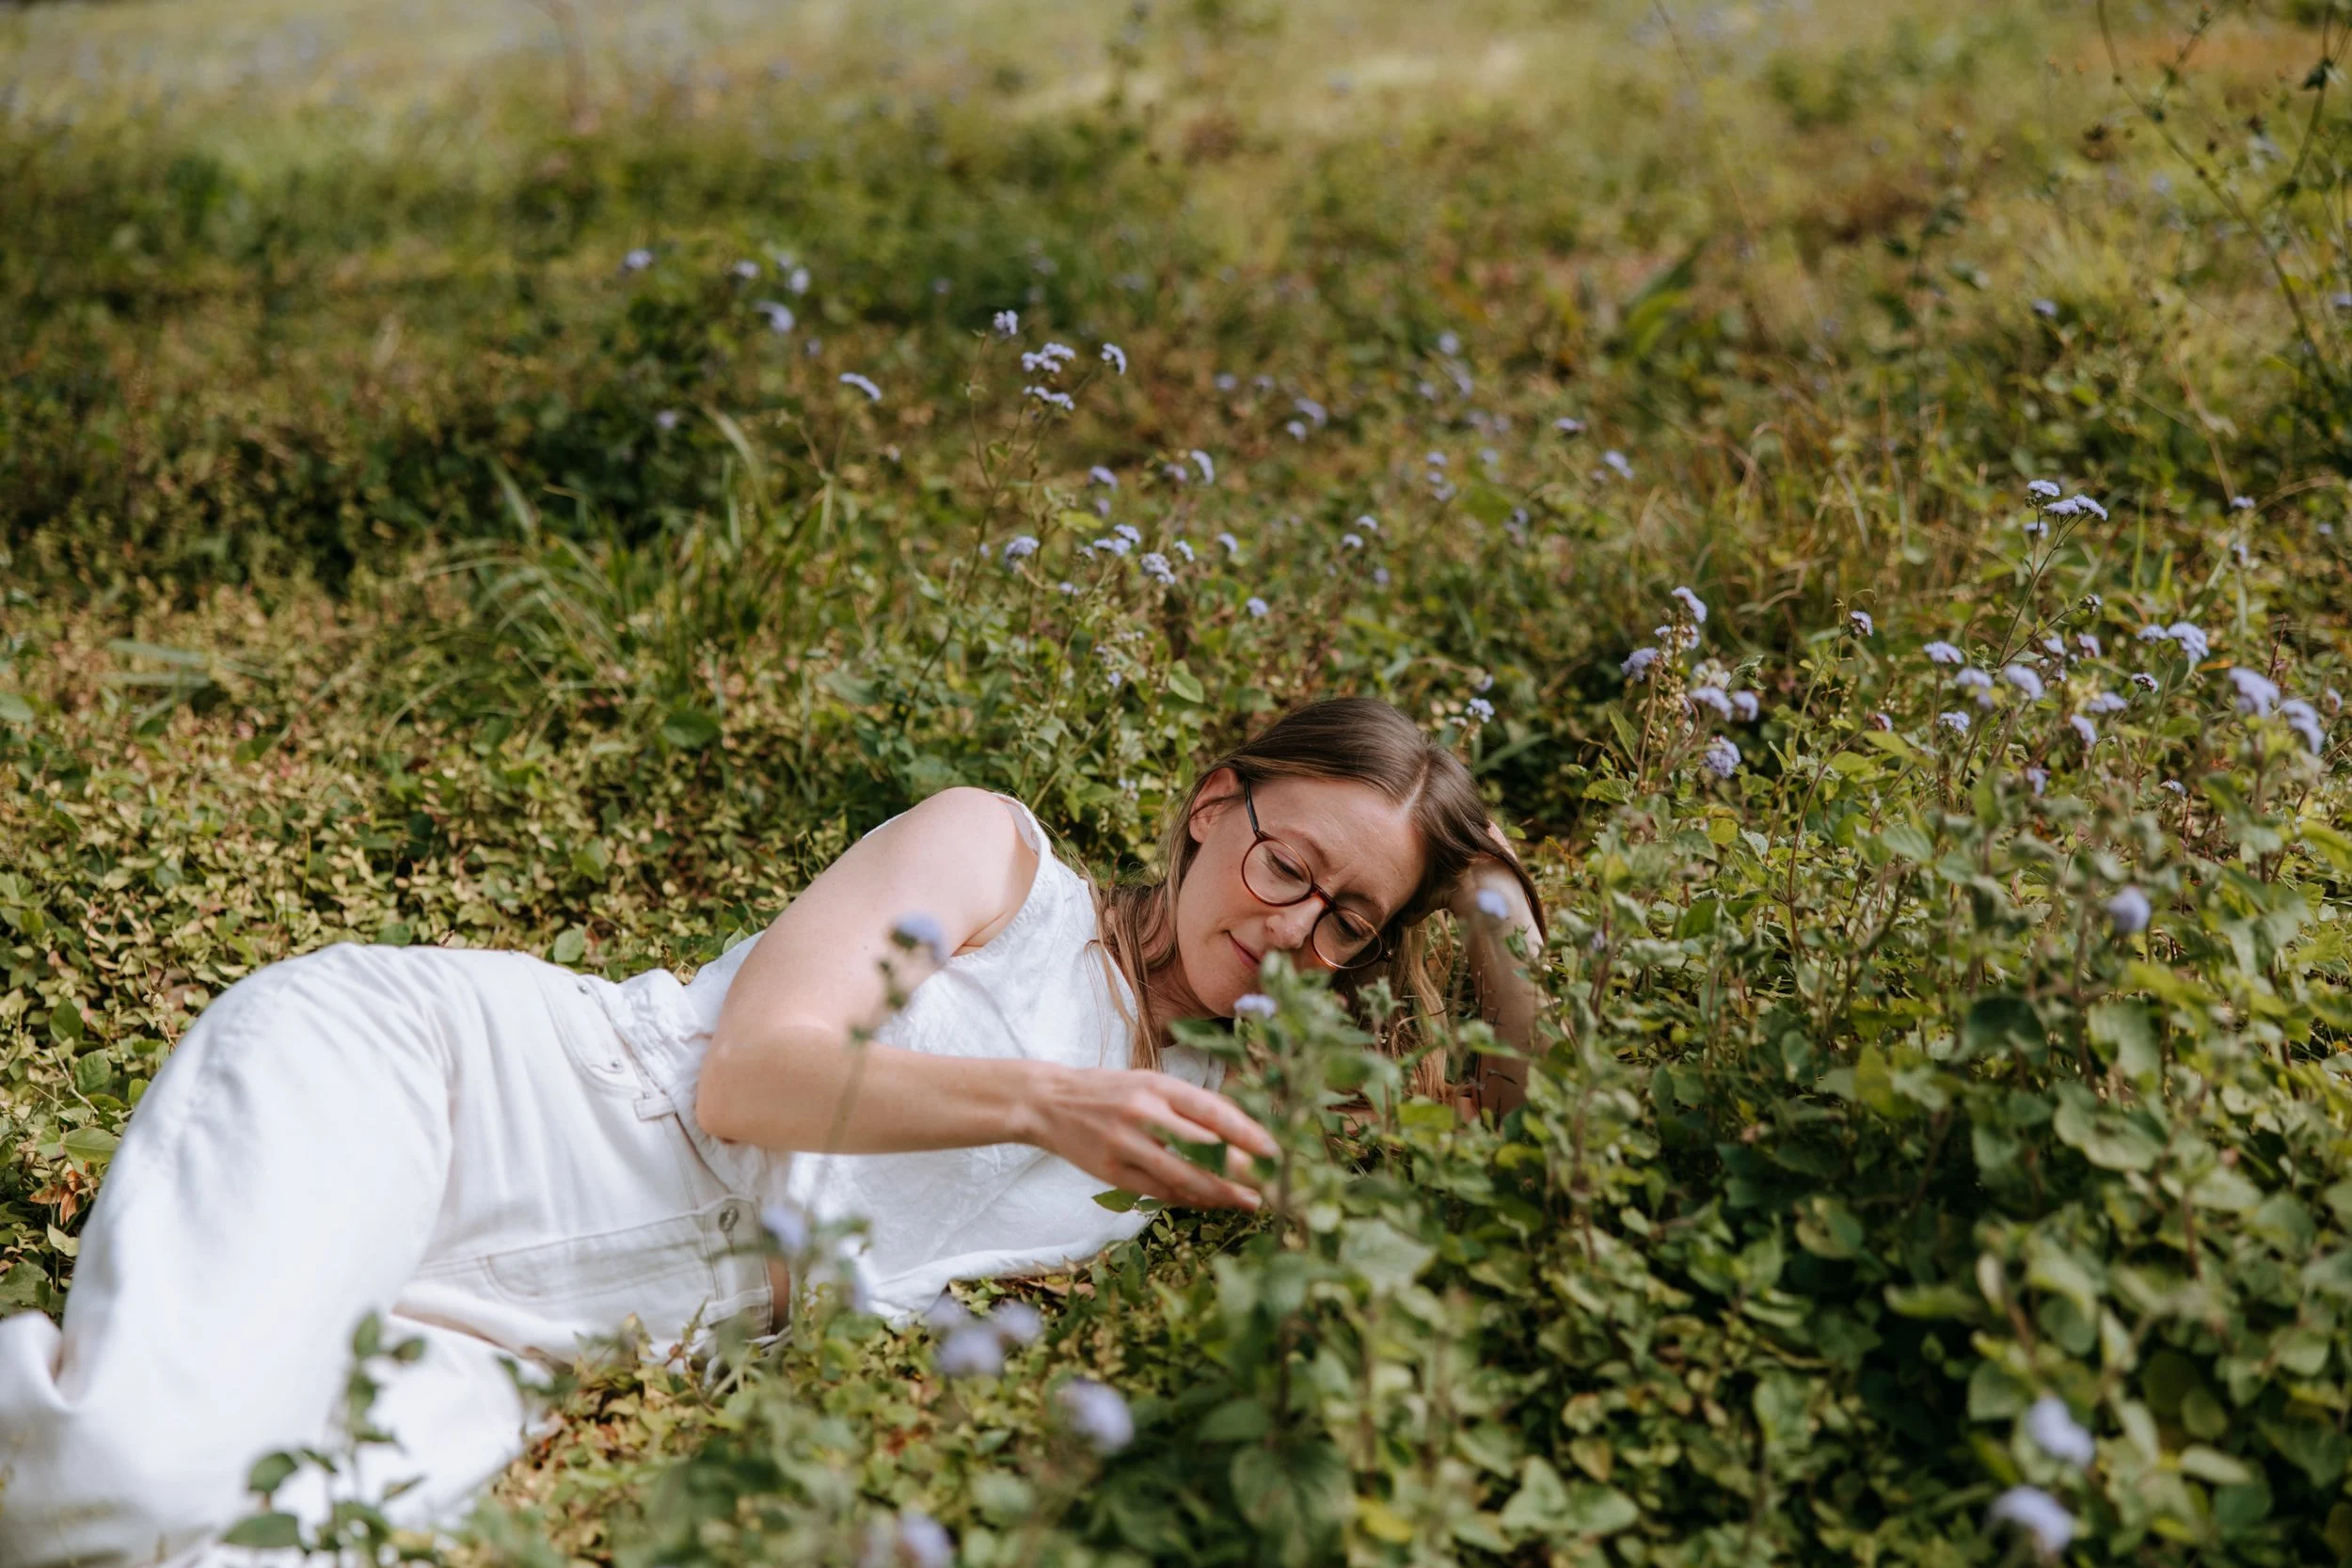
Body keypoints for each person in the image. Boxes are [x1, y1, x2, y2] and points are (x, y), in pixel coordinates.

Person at [0, 696, 1546, 1567]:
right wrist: (1052, 1099)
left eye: (1349, 916)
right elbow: (756, 1074)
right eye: (1288, 861)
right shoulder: (995, 862)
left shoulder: (1210, 1121)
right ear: (1215, 802)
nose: (1295, 926)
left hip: (546, 1340)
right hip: (458, 1091)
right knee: (136, 1465)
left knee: (260, 1553)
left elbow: (1517, 1096)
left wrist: (1489, 891)